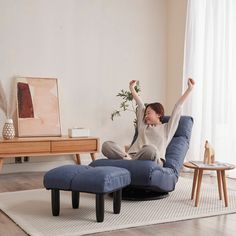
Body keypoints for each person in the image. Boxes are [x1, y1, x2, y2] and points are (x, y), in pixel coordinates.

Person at [102, 78, 195, 166]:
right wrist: (132, 89)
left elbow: (177, 107)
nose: (145, 116)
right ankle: (129, 161)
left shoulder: (167, 128)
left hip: (152, 157)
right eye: (145, 114)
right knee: (106, 146)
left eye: (148, 113)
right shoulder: (143, 126)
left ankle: (128, 162)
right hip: (132, 156)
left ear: (158, 114)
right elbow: (141, 105)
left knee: (150, 149)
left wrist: (189, 89)